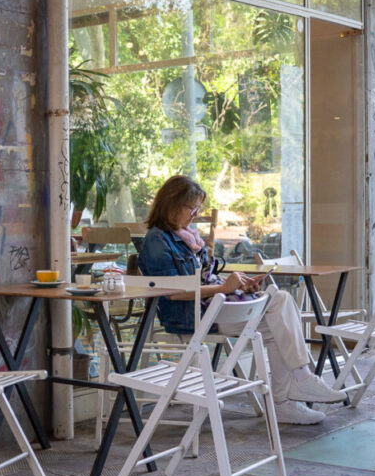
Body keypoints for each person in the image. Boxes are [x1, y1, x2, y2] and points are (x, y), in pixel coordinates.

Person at [137, 175, 347, 425]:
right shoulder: (157, 241)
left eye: (197, 208)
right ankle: (297, 385)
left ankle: (287, 397)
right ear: (171, 205)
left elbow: (205, 277)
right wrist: (224, 288)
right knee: (279, 302)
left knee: (276, 313)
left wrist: (239, 286)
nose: (195, 214)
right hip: (190, 316)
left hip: (213, 308)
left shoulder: (186, 237)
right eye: (190, 207)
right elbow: (172, 293)